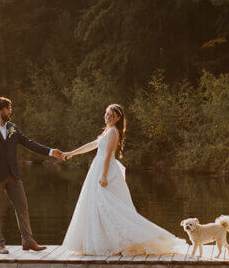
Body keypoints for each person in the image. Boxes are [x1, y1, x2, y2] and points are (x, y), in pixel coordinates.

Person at [60, 104, 182, 256]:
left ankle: (131, 240)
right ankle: (106, 241)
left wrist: (104, 175)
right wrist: (72, 153)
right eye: (106, 114)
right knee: (101, 207)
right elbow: (92, 145)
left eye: (111, 115)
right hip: (98, 169)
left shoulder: (112, 132)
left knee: (111, 207)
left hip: (105, 171)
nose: (108, 117)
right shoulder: (107, 131)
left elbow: (108, 155)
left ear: (118, 118)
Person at [0, 97, 64, 254]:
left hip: (13, 175)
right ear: (1, 109)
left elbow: (29, 143)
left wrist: (50, 152)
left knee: (22, 206)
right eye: (9, 108)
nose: (11, 111)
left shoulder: (12, 128)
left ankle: (28, 241)